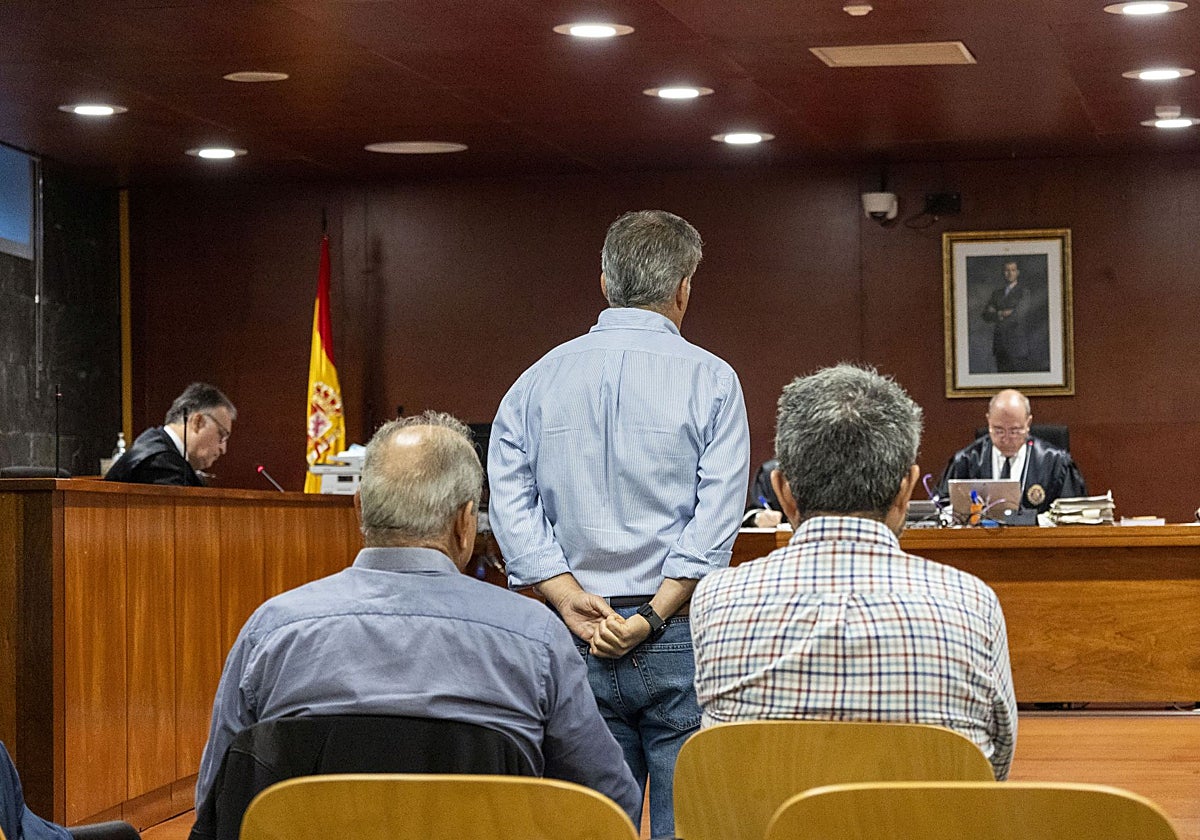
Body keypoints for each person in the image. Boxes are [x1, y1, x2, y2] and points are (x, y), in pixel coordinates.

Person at [193, 411, 638, 820]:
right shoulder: (537, 638)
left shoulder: (271, 633)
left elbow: (216, 799)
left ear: (359, 509)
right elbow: (609, 804)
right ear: (467, 523)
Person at [488, 210, 750, 835]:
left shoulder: (535, 380)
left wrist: (565, 594)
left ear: (604, 282)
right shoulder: (712, 380)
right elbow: (717, 515)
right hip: (675, 631)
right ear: (685, 286)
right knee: (686, 826)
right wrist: (651, 616)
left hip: (571, 628)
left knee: (586, 827)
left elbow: (508, 502)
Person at [691, 364, 1017, 780]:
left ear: (783, 492)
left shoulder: (716, 601)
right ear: (905, 491)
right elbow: (994, 770)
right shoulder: (973, 605)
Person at [936, 388, 1086, 513]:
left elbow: (1073, 515)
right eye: (999, 430)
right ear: (988, 421)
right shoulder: (967, 461)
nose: (1006, 439)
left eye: (1015, 431)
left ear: (1028, 423)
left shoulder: (1055, 463)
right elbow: (941, 509)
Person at [105, 382, 235, 486]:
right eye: (221, 435)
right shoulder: (161, 464)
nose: (223, 449)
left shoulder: (157, 445)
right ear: (197, 422)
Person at [981, 259, 1029, 372]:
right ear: (1003, 272)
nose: (1010, 273)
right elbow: (986, 315)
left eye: (1013, 270)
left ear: (1018, 272)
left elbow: (1019, 315)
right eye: (1007, 270)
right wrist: (1001, 313)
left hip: (1016, 345)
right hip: (1000, 346)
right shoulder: (997, 294)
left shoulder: (1024, 292)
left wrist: (996, 312)